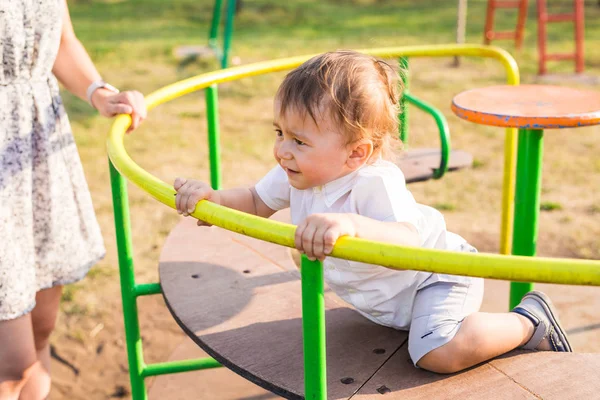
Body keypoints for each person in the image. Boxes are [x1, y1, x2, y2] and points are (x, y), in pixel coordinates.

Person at [174, 50, 571, 374]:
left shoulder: (373, 183)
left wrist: (349, 224)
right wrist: (212, 201)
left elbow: (406, 239)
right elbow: (256, 202)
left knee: (437, 353)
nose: (282, 150)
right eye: (279, 133)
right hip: (389, 301)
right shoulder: (297, 171)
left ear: (357, 153)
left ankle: (528, 321)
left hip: (437, 277)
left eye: (298, 139)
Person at [0, 1, 146, 399]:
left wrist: (99, 93)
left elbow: (62, 40)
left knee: (39, 331)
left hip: (38, 152)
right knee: (9, 363)